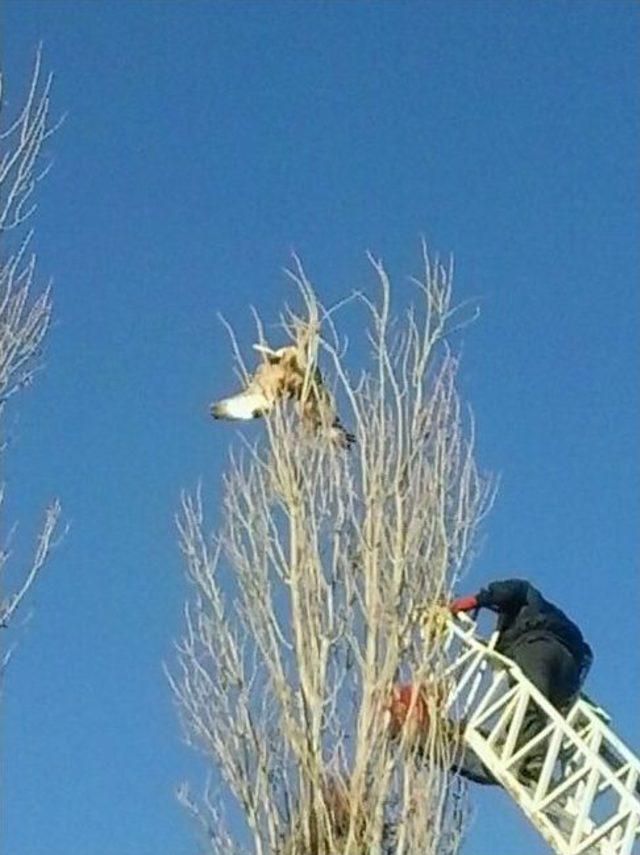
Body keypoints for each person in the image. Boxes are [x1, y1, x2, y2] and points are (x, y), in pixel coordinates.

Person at [449, 578, 593, 785]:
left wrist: (475, 600)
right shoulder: (558, 620)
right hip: (569, 671)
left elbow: (512, 590)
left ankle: (533, 760)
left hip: (538, 646)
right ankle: (529, 757)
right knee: (534, 710)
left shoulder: (527, 598)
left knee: (525, 705)